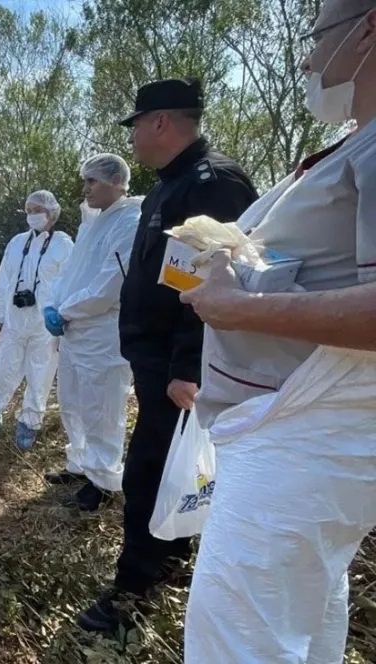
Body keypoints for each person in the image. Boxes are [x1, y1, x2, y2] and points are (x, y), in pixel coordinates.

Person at [181, 2, 376, 660]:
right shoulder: (357, 143)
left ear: (368, 28)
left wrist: (236, 309)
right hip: (297, 433)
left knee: (234, 640)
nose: (305, 58)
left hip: (306, 440)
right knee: (304, 614)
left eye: (316, 37)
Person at [76, 77, 258, 632]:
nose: (132, 138)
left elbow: (216, 286)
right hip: (157, 361)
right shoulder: (167, 187)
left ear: (159, 122)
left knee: (151, 474)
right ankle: (169, 562)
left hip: (183, 370)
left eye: (135, 125)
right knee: (167, 471)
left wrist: (186, 366)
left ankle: (133, 593)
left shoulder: (212, 184)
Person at [44, 155, 142, 512]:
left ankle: (102, 482)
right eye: (85, 181)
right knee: (72, 402)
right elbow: (71, 272)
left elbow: (109, 286)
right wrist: (53, 304)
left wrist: (65, 310)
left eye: (92, 181)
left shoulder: (130, 221)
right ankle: (79, 464)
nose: (85, 188)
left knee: (102, 408)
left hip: (102, 333)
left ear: (117, 181)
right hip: (74, 331)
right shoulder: (94, 222)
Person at [0, 190, 73, 450]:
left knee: (40, 376)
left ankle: (30, 423)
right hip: (15, 321)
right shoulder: (16, 243)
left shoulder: (64, 245)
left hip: (45, 325)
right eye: (28, 211)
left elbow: (69, 284)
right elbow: (4, 282)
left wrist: (63, 320)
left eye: (37, 210)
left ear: (51, 213)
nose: (32, 216)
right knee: (2, 371)